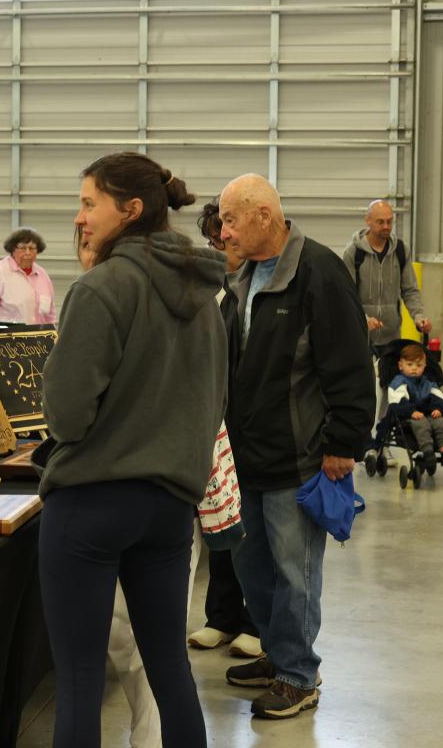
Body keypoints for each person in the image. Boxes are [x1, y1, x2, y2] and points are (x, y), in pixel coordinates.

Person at [40, 152, 225, 747]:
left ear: (131, 209)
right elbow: (213, 403)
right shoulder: (206, 297)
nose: (79, 217)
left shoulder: (101, 289)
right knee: (169, 668)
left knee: (79, 680)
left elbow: (66, 416)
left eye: (89, 203)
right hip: (170, 506)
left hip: (91, 505)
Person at [219, 173, 374, 719]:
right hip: (245, 456)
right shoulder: (242, 278)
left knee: (295, 573)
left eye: (231, 219)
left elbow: (350, 364)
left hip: (300, 457)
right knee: (252, 569)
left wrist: (343, 443)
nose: (223, 231)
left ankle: (298, 676)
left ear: (264, 216)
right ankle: (278, 652)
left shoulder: (320, 272)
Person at [186, 201, 262, 660]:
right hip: (215, 424)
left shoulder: (258, 285)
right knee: (218, 520)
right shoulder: (207, 288)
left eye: (226, 239)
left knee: (250, 529)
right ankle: (221, 617)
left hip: (252, 427)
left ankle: (255, 621)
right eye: (214, 240)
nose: (221, 248)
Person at [343, 199, 430, 467]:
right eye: (380, 222)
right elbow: (345, 295)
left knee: (390, 389)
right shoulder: (353, 253)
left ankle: (381, 442)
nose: (386, 226)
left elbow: (410, 290)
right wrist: (363, 319)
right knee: (363, 389)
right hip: (362, 336)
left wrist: (418, 316)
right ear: (368, 221)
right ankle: (363, 442)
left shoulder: (400, 251)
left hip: (391, 335)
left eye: (390, 221)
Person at [385, 343, 443, 466]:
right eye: (410, 364)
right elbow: (396, 402)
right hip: (408, 416)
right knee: (422, 424)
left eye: (418, 365)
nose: (414, 368)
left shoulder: (428, 383)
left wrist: (439, 408)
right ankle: (428, 453)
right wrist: (411, 411)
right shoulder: (398, 382)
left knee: (442, 423)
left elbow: (439, 398)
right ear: (400, 366)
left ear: (424, 367)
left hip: (429, 414)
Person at [0, 228, 56, 324]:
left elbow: (51, 317)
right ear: (12, 250)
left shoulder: (43, 277)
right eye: (22, 248)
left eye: (32, 248)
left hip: (39, 334)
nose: (28, 252)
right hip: (6, 334)